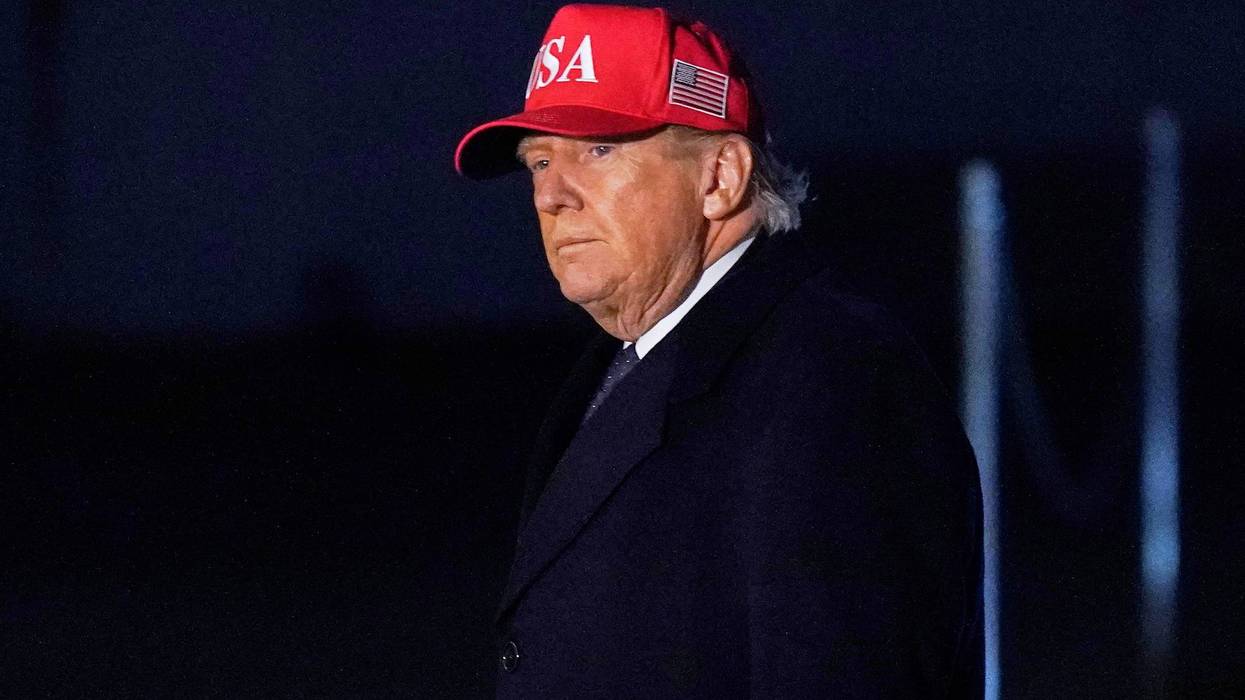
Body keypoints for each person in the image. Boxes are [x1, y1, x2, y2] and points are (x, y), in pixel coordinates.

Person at [454, 4, 983, 697]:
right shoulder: (630, 357)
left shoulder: (834, 383)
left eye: (599, 149)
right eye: (540, 160)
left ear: (720, 177)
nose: (551, 194)